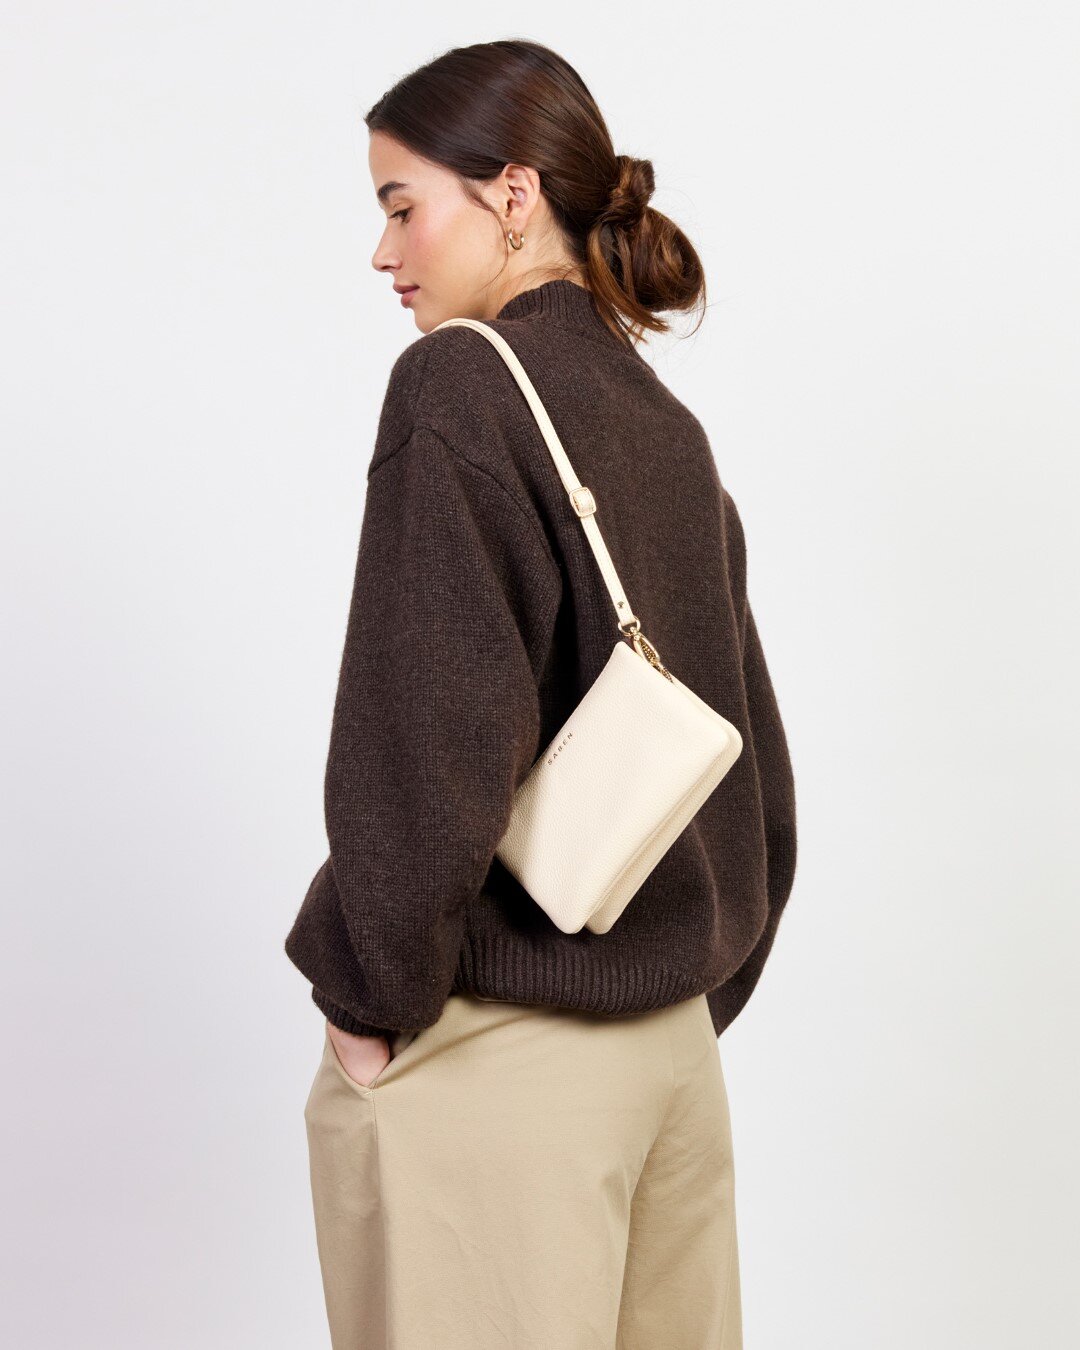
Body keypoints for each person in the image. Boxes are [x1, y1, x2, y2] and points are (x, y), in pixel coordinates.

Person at [284, 38, 797, 1350]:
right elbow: (755, 772)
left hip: (504, 1067)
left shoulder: (459, 383)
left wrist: (364, 1001)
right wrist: (680, 985)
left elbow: (425, 743)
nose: (384, 252)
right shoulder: (667, 428)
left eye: (403, 206)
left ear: (512, 195)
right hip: (671, 1067)